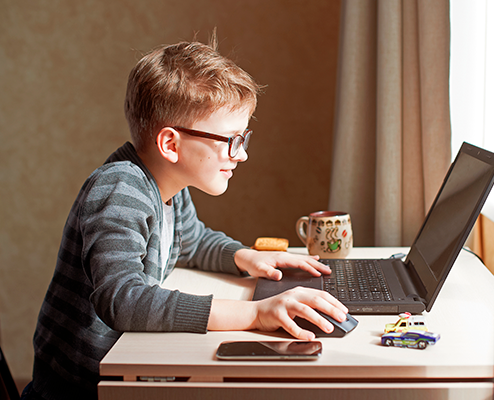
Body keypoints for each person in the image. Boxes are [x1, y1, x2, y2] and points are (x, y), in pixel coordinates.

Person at [22, 37, 348, 400]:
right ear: (171, 145)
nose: (240, 156)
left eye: (244, 139)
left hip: (124, 370)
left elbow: (192, 240)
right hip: (82, 387)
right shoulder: (120, 190)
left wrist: (246, 257)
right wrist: (254, 314)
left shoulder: (168, 187)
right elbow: (123, 299)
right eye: (231, 140)